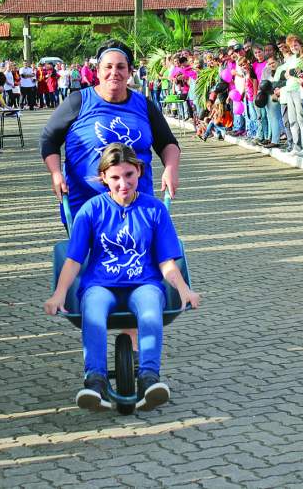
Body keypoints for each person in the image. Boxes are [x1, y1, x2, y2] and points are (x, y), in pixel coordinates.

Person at [43, 143, 200, 412]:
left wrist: (184, 290)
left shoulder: (154, 210)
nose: (123, 183)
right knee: (93, 313)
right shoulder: (91, 210)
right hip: (100, 285)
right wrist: (59, 294)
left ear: (139, 171)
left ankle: (149, 378)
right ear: (103, 177)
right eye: (115, 177)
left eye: (129, 175)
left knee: (151, 312)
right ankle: (95, 381)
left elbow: (166, 262)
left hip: (144, 284)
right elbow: (73, 261)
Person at [40, 39, 181, 221]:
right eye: (108, 67)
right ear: (97, 71)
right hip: (86, 208)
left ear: (130, 72)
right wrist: (56, 173)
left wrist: (171, 169)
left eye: (121, 67)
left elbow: (168, 143)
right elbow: (49, 140)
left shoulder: (144, 105)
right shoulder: (78, 101)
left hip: (138, 207)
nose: (114, 73)